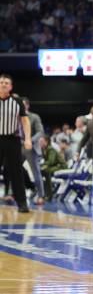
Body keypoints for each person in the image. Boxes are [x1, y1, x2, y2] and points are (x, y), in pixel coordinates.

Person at [0, 74, 32, 213]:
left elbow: (25, 121)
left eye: (6, 83)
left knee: (17, 172)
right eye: (1, 82)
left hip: (13, 139)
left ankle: (22, 203)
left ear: (11, 86)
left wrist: (28, 138)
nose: (3, 84)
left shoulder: (18, 101)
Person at [21, 97, 45, 204]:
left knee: (35, 171)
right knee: (14, 170)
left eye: (23, 105)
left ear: (27, 106)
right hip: (17, 146)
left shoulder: (34, 117)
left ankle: (41, 196)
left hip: (31, 146)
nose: (21, 107)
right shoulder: (15, 117)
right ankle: (19, 191)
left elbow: (40, 132)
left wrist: (30, 140)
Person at [39, 135, 67, 200]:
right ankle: (46, 193)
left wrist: (41, 165)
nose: (40, 143)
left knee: (46, 171)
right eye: (40, 141)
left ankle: (49, 195)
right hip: (54, 166)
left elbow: (51, 161)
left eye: (41, 141)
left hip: (61, 166)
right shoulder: (43, 149)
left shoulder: (51, 149)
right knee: (42, 171)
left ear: (46, 142)